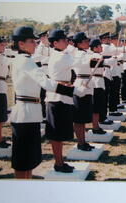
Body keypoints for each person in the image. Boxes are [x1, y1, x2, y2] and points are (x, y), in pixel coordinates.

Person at [9, 26, 88, 178]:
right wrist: (75, 91)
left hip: (30, 113)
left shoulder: (26, 60)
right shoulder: (24, 61)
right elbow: (46, 83)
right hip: (24, 114)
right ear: (21, 44)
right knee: (23, 161)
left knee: (30, 160)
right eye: (31, 41)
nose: (35, 44)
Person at [45, 29, 90, 173]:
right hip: (57, 97)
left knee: (60, 134)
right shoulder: (61, 56)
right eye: (63, 40)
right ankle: (58, 163)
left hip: (62, 95)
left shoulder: (61, 54)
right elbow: (79, 61)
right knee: (57, 135)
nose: (66, 41)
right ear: (55, 43)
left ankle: (60, 162)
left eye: (66, 39)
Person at [72, 32, 95, 151]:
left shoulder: (85, 53)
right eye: (85, 41)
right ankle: (80, 142)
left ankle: (83, 141)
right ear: (79, 43)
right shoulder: (77, 54)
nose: (88, 43)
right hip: (81, 82)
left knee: (84, 116)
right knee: (79, 117)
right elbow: (89, 62)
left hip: (87, 82)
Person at [0, 36, 10, 148]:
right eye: (1, 44)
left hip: (2, 87)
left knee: (1, 117)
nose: (4, 47)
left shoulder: (3, 56)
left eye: (4, 45)